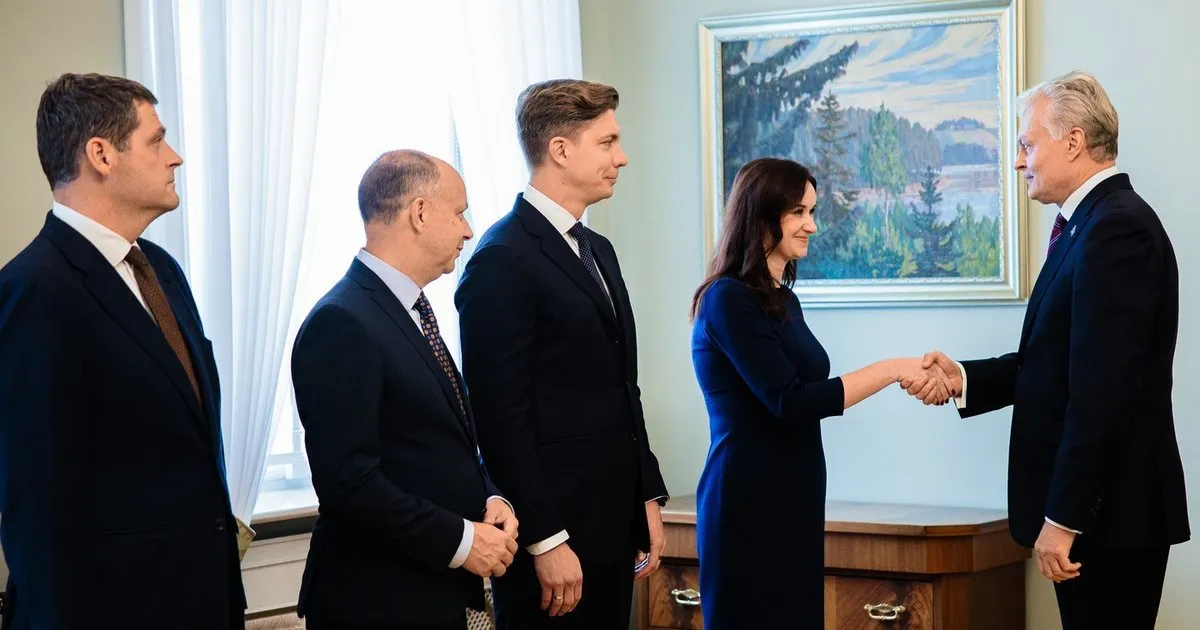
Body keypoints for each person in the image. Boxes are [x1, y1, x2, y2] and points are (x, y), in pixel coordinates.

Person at [917, 71, 1189, 630]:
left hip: (1109, 519)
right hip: (1103, 517)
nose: (1019, 161)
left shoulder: (1116, 230)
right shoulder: (1089, 224)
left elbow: (1102, 393)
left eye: (1026, 144)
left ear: (1073, 141)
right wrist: (965, 377)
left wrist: (1064, 519)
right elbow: (1058, 363)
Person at [0, 72, 245, 629]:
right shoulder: (34, 291)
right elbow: (37, 503)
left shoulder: (161, 270)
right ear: (101, 155)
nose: (175, 157)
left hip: (202, 602)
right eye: (156, 140)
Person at [689, 157, 951, 629]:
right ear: (761, 215)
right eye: (799, 212)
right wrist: (892, 369)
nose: (812, 225)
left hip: (797, 496)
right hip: (747, 503)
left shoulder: (784, 300)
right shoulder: (727, 299)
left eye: (812, 211)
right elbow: (791, 402)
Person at [455, 79, 668, 629]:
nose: (622, 158)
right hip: (552, 541)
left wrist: (646, 495)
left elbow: (624, 388)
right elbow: (498, 419)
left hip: (612, 526)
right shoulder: (501, 258)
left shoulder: (599, 250)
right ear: (560, 150)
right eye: (608, 142)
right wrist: (546, 539)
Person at [291, 150, 518, 630]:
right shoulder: (341, 321)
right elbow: (349, 484)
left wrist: (490, 498)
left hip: (430, 593)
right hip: (376, 601)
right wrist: (462, 541)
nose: (468, 231)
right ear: (419, 213)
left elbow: (440, 443)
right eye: (459, 213)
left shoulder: (411, 311)